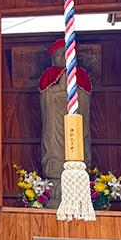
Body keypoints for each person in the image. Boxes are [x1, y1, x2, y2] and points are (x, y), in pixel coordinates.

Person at [39, 39, 91, 208]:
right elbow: (46, 98)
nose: (63, 58)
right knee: (52, 141)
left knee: (79, 138)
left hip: (74, 123)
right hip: (55, 121)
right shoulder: (48, 76)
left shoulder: (79, 75)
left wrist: (70, 96)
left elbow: (83, 99)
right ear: (52, 57)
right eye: (59, 55)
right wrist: (58, 94)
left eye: (66, 55)